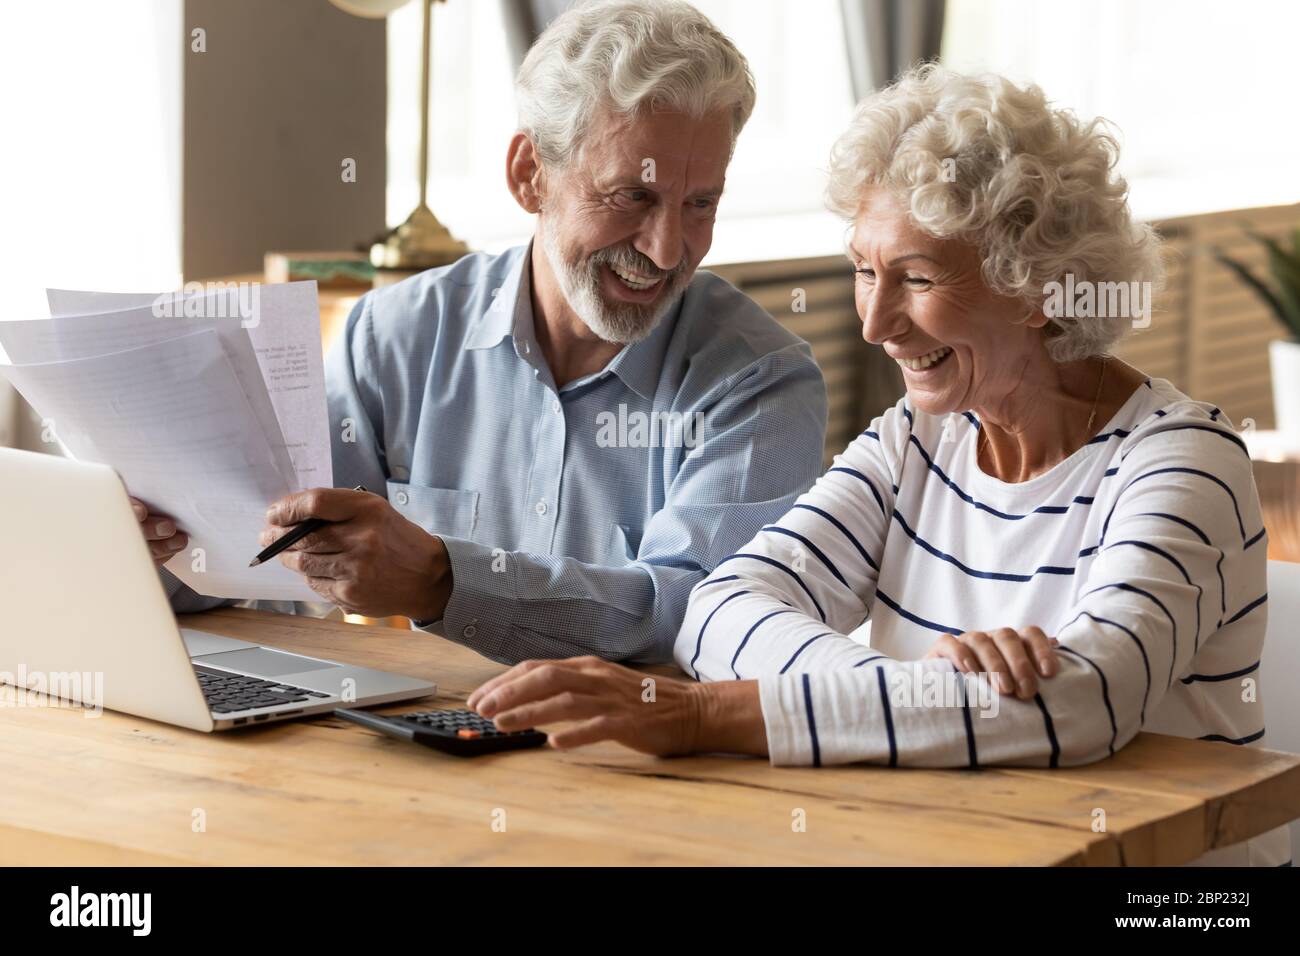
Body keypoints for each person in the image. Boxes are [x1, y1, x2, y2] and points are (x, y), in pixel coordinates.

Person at [467, 65, 1288, 865]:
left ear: (1041, 289)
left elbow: (1080, 705)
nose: (875, 322)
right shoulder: (919, 440)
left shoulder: (1184, 464)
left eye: (917, 277)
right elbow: (718, 609)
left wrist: (702, 716)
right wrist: (916, 691)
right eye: (865, 271)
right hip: (946, 843)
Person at [133, 0, 827, 664]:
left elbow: (692, 615)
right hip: (412, 749)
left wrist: (441, 579)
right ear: (530, 176)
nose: (669, 249)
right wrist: (162, 551)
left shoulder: (761, 383)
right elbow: (280, 570)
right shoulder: (392, 337)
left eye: (700, 203)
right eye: (632, 196)